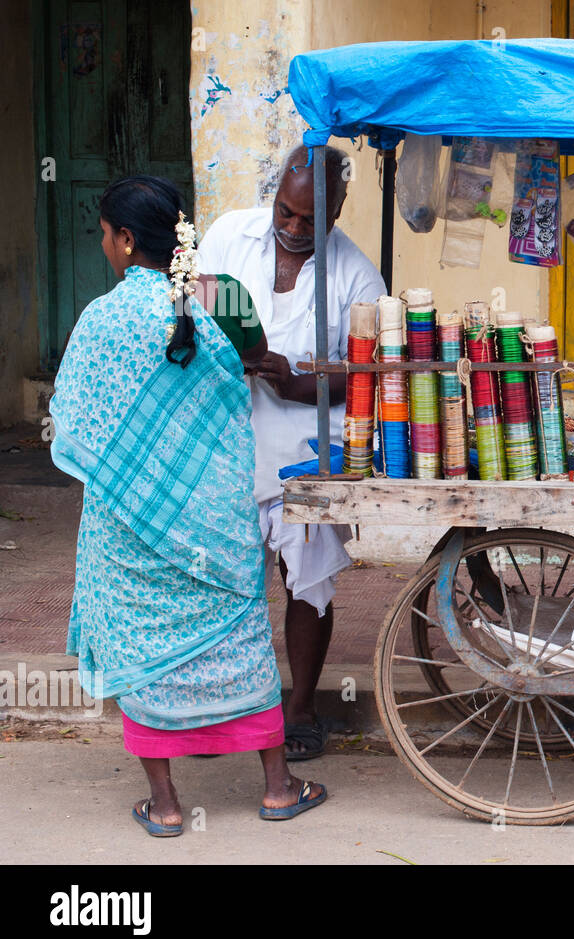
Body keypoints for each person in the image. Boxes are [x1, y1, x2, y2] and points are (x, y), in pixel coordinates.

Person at [50, 175, 326, 836]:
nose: (105, 249)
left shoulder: (100, 319)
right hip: (216, 518)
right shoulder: (222, 297)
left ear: (124, 240)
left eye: (106, 237)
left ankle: (167, 804)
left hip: (131, 521)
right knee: (240, 638)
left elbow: (79, 426)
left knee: (142, 643)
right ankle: (278, 787)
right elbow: (261, 360)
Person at [198, 144, 386, 760]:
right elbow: (194, 314)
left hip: (307, 443)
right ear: (276, 189)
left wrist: (298, 382)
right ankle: (217, 707)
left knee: (305, 581)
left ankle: (300, 708)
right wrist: (233, 354)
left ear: (337, 212)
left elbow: (373, 375)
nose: (293, 227)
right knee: (221, 580)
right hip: (226, 438)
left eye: (310, 220)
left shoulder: (355, 274)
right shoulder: (229, 237)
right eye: (286, 211)